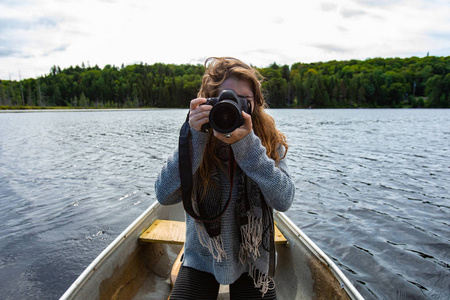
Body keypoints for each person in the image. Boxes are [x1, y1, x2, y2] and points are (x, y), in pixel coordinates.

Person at [155, 57, 294, 299]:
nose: (235, 109)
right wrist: (195, 140)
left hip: (253, 259)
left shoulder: (270, 142)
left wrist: (248, 147)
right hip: (202, 256)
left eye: (244, 101)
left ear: (257, 103)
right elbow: (164, 195)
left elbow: (284, 200)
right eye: (225, 99)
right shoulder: (195, 137)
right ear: (208, 102)